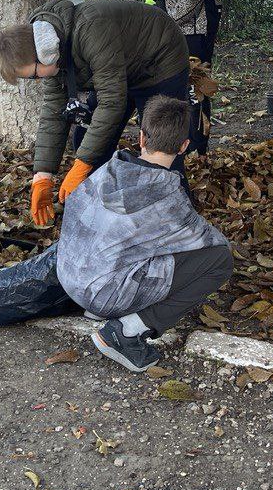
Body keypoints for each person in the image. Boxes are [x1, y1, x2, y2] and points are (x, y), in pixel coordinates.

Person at [57, 96, 232, 372]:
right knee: (220, 259)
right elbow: (208, 241)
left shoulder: (110, 168)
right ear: (184, 146)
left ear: (141, 138)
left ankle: (105, 307)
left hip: (71, 278)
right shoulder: (169, 196)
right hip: (104, 292)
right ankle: (126, 331)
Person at [0, 0, 190, 226]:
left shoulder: (91, 29)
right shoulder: (53, 52)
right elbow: (53, 112)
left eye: (34, 76)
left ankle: (179, 215)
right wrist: (43, 175)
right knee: (85, 140)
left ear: (46, 52)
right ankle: (100, 209)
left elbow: (112, 101)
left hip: (160, 58)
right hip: (119, 71)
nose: (37, 81)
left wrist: (82, 164)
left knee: (160, 143)